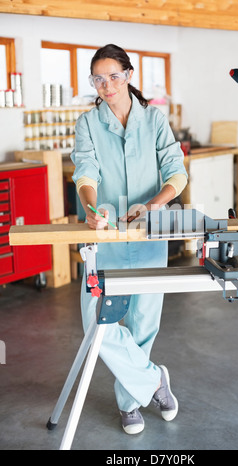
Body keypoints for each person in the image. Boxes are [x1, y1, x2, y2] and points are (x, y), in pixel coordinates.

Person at [71, 44, 188, 435]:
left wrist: (153, 205)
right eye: (98, 79)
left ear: (129, 75)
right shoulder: (88, 123)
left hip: (149, 234)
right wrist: (90, 206)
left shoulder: (154, 119)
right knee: (95, 320)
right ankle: (154, 380)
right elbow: (85, 170)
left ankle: (128, 404)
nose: (107, 86)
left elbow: (176, 171)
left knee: (142, 324)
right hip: (106, 236)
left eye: (114, 76)